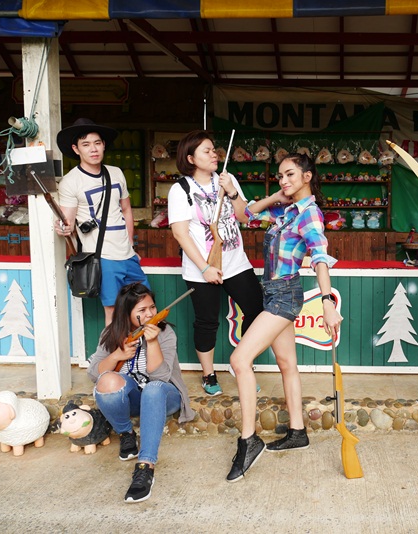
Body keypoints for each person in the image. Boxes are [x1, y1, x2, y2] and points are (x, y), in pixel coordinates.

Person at [226, 153, 341, 483]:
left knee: (239, 360)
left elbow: (320, 258)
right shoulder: (285, 210)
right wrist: (275, 195)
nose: (284, 180)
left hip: (285, 295)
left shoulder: (310, 214)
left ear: (307, 176)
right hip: (272, 291)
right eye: (279, 176)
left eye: (290, 174)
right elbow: (245, 214)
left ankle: (249, 441)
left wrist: (327, 302)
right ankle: (298, 432)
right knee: (287, 364)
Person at [168, 130, 263, 396]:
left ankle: (242, 363)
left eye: (214, 149)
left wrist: (232, 191)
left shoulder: (227, 179)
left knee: (257, 311)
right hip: (202, 267)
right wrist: (205, 268)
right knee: (207, 322)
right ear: (191, 158)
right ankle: (209, 375)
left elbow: (244, 217)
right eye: (207, 151)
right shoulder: (180, 189)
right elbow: (180, 234)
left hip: (236, 262)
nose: (214, 154)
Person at [87, 282, 193, 503]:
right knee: (107, 381)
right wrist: (117, 356)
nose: (150, 314)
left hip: (163, 396)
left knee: (153, 389)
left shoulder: (164, 332)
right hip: (134, 398)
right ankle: (126, 434)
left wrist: (152, 342)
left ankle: (145, 466)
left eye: (152, 307)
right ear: (126, 313)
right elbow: (94, 373)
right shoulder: (111, 333)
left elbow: (161, 378)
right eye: (142, 310)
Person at [55, 118, 148, 325]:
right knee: (113, 311)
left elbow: (126, 210)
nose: (93, 149)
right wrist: (63, 228)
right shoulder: (70, 182)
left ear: (104, 145)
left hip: (128, 256)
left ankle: (140, 347)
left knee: (144, 305)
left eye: (97, 143)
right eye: (86, 144)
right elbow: (67, 221)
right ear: (76, 149)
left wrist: (131, 246)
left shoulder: (116, 173)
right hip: (102, 258)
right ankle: (114, 347)